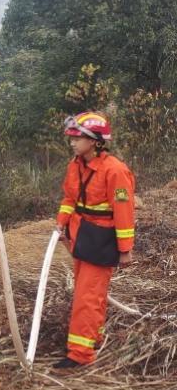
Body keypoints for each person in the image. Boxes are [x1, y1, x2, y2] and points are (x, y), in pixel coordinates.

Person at [53, 112, 135, 369]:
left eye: (77, 138)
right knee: (88, 293)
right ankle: (92, 338)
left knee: (87, 297)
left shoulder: (115, 171)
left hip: (101, 240)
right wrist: (62, 222)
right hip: (81, 236)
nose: (72, 143)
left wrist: (125, 250)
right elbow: (70, 198)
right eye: (72, 138)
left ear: (95, 141)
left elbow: (123, 211)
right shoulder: (75, 165)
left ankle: (80, 354)